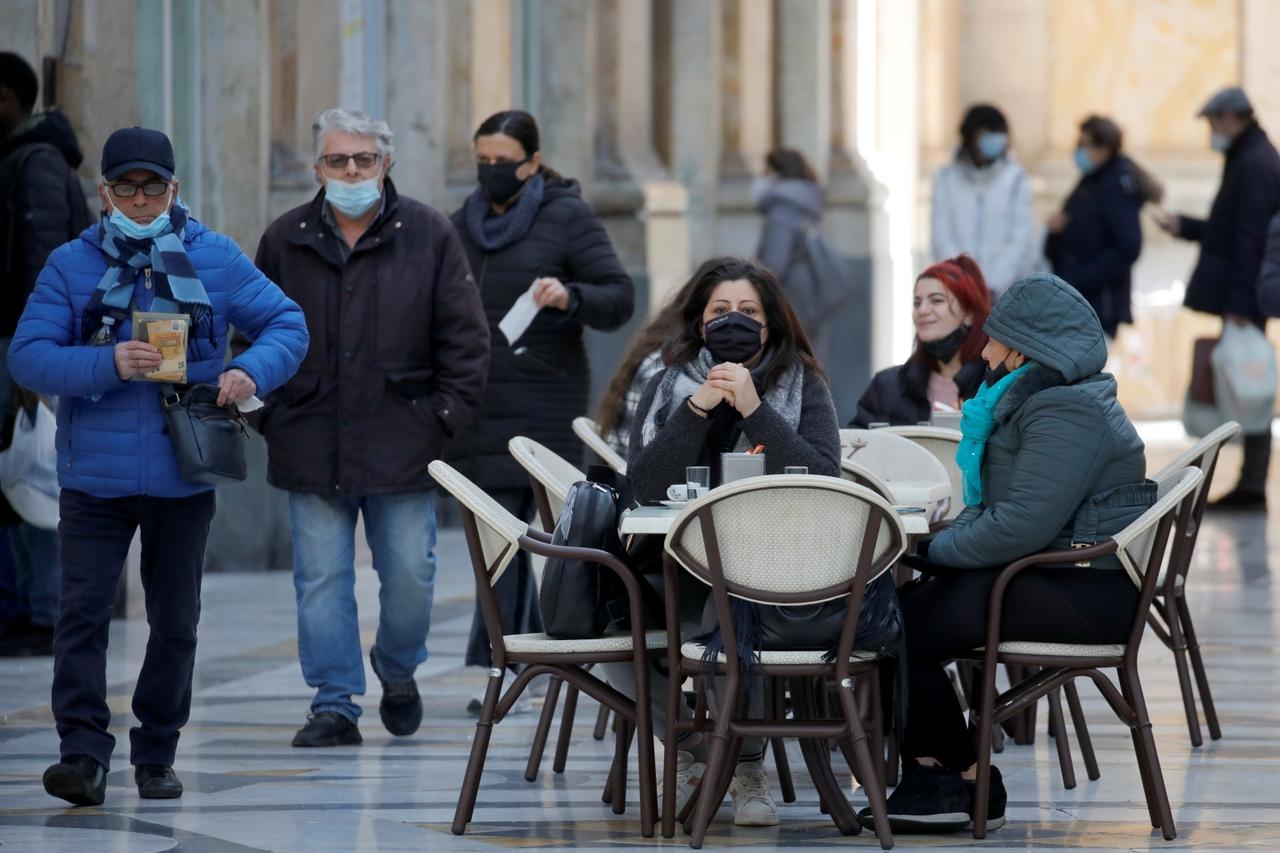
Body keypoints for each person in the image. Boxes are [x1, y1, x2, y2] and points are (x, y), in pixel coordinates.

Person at [8, 126, 308, 806]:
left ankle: (156, 752)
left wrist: (246, 370)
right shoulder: (70, 264)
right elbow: (27, 356)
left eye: (152, 187)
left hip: (184, 469)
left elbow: (289, 323)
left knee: (176, 619)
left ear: (174, 189)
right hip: (93, 477)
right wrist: (104, 363)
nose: (140, 201)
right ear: (104, 191)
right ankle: (81, 752)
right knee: (80, 615)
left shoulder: (216, 257)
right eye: (125, 188)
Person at [864, 272, 1155, 834]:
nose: (986, 350)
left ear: (1024, 347)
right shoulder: (1046, 400)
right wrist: (941, 552)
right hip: (1056, 574)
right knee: (898, 617)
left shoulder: (1064, 411)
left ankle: (955, 780)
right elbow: (1005, 509)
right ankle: (954, 778)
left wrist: (933, 552)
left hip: (1083, 590)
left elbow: (1021, 523)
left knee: (891, 624)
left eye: (995, 339)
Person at [251, 108, 489, 747]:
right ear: (317, 167)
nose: (351, 171)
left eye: (363, 159)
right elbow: (250, 334)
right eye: (337, 160)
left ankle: (399, 667)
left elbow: (466, 340)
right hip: (308, 435)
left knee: (411, 573)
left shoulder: (431, 234)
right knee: (321, 578)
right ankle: (334, 702)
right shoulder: (285, 238)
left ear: (386, 164)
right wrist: (269, 415)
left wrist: (442, 418)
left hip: (403, 437)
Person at [617, 256, 841, 827]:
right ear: (699, 323)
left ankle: (745, 762)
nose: (733, 322)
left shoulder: (802, 384)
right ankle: (697, 745)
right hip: (677, 562)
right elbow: (640, 483)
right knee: (617, 619)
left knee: (735, 603)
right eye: (721, 312)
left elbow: (825, 479)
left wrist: (754, 410)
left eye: (748, 312)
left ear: (771, 325)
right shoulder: (671, 382)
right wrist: (697, 410)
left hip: (781, 569)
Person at [448, 109, 634, 710]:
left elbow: (618, 298)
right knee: (498, 534)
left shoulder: (568, 217)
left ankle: (535, 657)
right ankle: (505, 663)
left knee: (541, 535)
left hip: (544, 399)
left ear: (532, 162)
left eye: (503, 162)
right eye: (483, 161)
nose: (491, 171)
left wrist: (570, 295)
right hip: (480, 397)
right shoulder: (461, 224)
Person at [0, 51, 92, 656]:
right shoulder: (27, 158)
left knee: (35, 475)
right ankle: (28, 607)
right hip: (23, 344)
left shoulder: (34, 163)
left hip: (28, 347)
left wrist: (34, 358)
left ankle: (43, 612)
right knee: (20, 476)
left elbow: (40, 261)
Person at [1157, 86, 1280, 511]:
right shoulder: (1247, 158)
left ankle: (1251, 485)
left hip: (1246, 298)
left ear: (1233, 118)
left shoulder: (1255, 164)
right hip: (1245, 293)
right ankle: (1249, 483)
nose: (1211, 132)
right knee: (1245, 383)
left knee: (1249, 384)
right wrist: (1188, 226)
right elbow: (1231, 232)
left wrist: (1243, 305)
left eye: (1213, 123)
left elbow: (1252, 240)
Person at [1046, 115, 1161, 338]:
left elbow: (1128, 247)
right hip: (1076, 301)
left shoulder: (1116, 184)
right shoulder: (1091, 181)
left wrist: (1080, 278)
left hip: (1098, 306)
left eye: (1084, 144)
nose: (1078, 151)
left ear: (1105, 148)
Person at [851, 255, 991, 427]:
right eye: (917, 303)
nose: (922, 310)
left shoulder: (995, 386)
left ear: (968, 315)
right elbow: (857, 448)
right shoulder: (885, 387)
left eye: (936, 300)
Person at [931, 104, 1036, 297]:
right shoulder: (945, 178)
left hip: (1005, 294)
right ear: (970, 136)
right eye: (988, 132)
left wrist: (992, 285)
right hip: (959, 292)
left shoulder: (1016, 179)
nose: (995, 140)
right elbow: (942, 236)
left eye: (999, 133)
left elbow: (1020, 238)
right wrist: (965, 282)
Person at [595, 277, 701, 458]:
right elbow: (654, 457)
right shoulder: (665, 366)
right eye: (720, 310)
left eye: (748, 310)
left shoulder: (659, 348)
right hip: (628, 470)